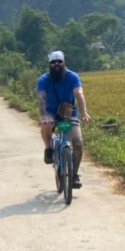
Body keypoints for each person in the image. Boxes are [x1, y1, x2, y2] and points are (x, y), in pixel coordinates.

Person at [36, 50, 92, 189]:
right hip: (51, 113)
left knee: (78, 143)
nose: (56, 65)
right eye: (53, 62)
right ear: (49, 64)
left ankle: (74, 175)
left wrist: (84, 112)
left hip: (68, 114)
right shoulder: (43, 80)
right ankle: (48, 149)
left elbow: (79, 93)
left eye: (59, 62)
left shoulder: (72, 77)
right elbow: (41, 97)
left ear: (64, 62)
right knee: (46, 125)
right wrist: (44, 115)